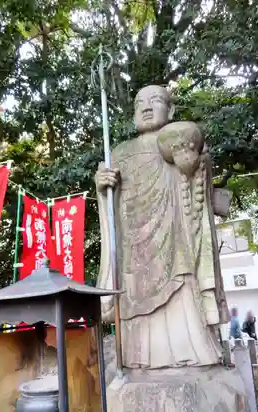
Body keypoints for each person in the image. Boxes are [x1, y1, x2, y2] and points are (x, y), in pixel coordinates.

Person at [95, 85, 229, 369]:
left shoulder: (178, 139)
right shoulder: (120, 152)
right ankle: (137, 358)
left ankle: (192, 354)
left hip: (176, 234)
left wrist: (189, 166)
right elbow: (111, 206)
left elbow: (198, 185)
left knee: (183, 288)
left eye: (155, 100)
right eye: (139, 103)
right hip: (134, 245)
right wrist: (103, 187)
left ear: (170, 110)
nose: (146, 107)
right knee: (132, 299)